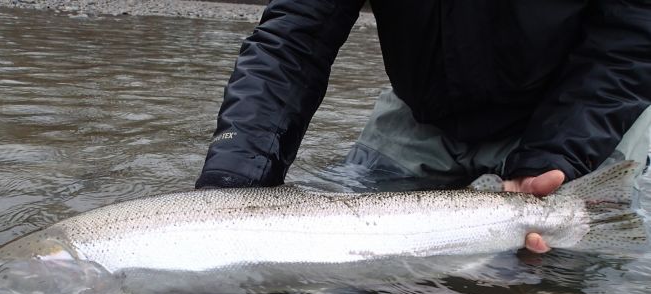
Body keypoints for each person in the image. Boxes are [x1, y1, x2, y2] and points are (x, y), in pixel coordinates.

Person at [195, 1, 651, 253]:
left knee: (560, 275)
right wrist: (232, 184)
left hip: (582, 100)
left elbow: (631, 38)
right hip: (431, 106)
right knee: (349, 237)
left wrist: (559, 153)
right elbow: (291, 42)